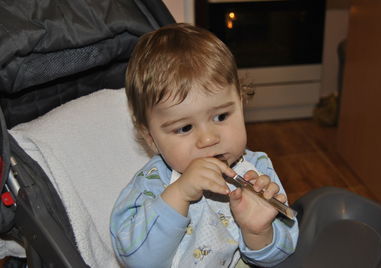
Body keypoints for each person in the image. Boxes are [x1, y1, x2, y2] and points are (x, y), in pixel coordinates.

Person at [110, 23, 298, 268]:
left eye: (221, 117)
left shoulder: (257, 171)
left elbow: (286, 249)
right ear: (150, 137)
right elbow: (136, 259)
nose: (209, 139)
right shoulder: (151, 184)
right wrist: (179, 194)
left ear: (240, 105)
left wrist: (257, 231)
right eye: (185, 128)